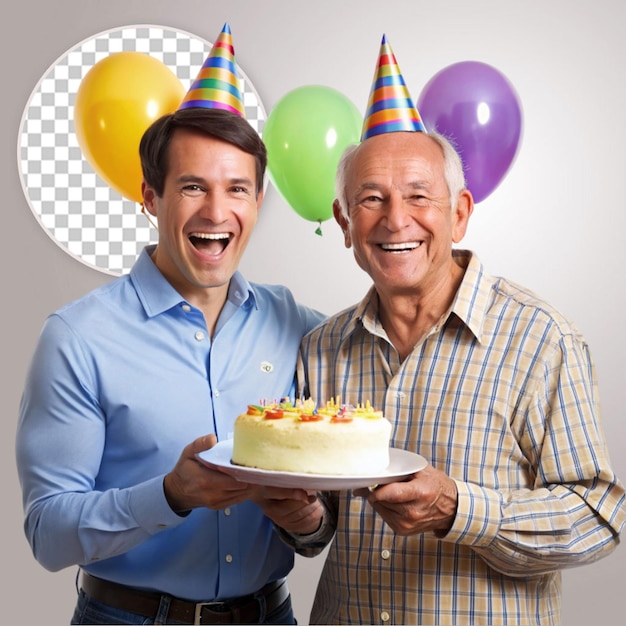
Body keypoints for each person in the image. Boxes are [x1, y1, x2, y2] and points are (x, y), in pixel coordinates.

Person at [255, 35, 626, 625]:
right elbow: (320, 529)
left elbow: (598, 517)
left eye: (419, 197)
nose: (395, 219)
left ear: (459, 213)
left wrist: (459, 510)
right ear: (345, 223)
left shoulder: (540, 338)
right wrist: (301, 517)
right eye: (370, 199)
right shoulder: (322, 348)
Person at [15, 24, 325, 625]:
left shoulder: (301, 327)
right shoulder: (78, 339)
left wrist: (309, 523)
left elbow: (324, 517)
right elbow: (47, 534)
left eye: (237, 188)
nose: (216, 211)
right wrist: (171, 496)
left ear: (258, 203)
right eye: (192, 187)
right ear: (150, 197)